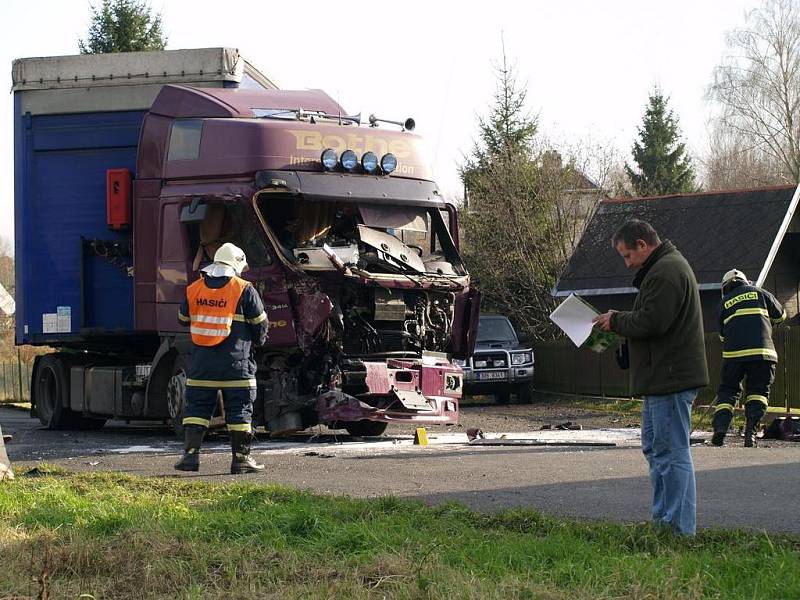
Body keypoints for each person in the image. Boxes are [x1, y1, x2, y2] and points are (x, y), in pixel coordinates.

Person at [594, 219, 708, 536]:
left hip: (670, 379)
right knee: (658, 452)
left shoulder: (667, 271)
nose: (627, 263)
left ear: (643, 244)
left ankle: (678, 529)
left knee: (671, 453)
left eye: (628, 256)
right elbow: (650, 320)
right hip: (662, 379)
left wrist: (616, 321)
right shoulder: (663, 269)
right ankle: (664, 523)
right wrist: (619, 322)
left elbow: (653, 322)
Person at [175, 243, 269, 474]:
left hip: (202, 366)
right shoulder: (244, 288)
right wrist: (257, 341)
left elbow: (182, 319)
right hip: (236, 365)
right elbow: (261, 326)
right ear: (237, 265)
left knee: (197, 409)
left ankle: (190, 458)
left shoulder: (194, 289)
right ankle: (240, 460)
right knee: (240, 411)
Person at [711, 269, 785, 447]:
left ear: (725, 287)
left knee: (728, 391)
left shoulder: (723, 303)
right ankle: (750, 433)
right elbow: (781, 315)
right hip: (763, 354)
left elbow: (722, 337)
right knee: (758, 392)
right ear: (746, 281)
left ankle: (720, 429)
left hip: (734, 356)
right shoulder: (761, 293)